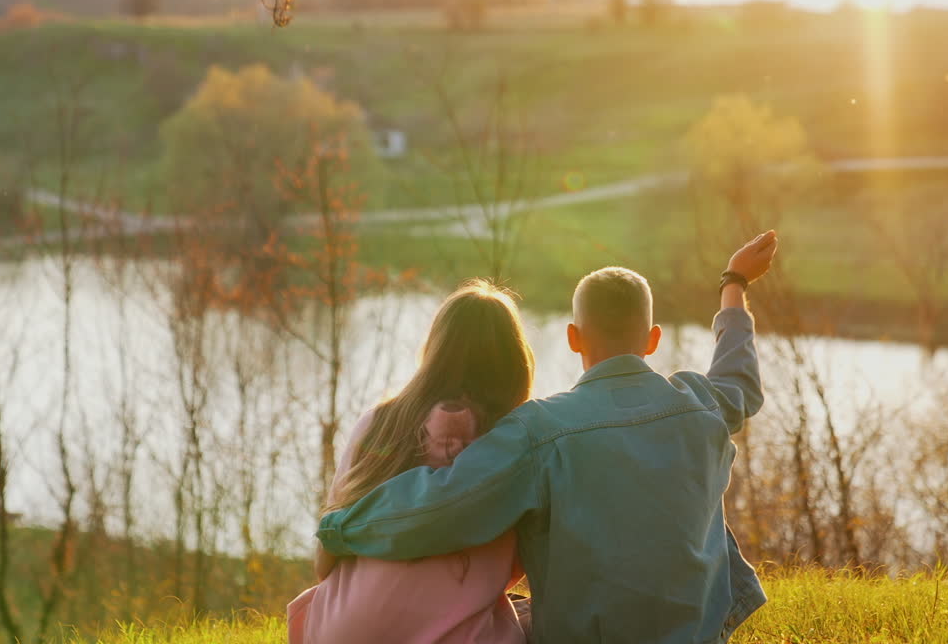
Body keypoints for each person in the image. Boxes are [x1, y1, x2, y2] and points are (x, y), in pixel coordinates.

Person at [317, 230, 779, 643]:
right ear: (653, 339)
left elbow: (441, 504)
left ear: (574, 337)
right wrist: (733, 282)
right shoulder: (700, 403)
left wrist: (342, 526)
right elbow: (739, 379)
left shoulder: (539, 431)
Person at [288, 279, 536, 644]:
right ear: (515, 360)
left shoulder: (377, 423)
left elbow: (325, 560)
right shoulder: (515, 447)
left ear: (435, 350)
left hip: (337, 630)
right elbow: (527, 565)